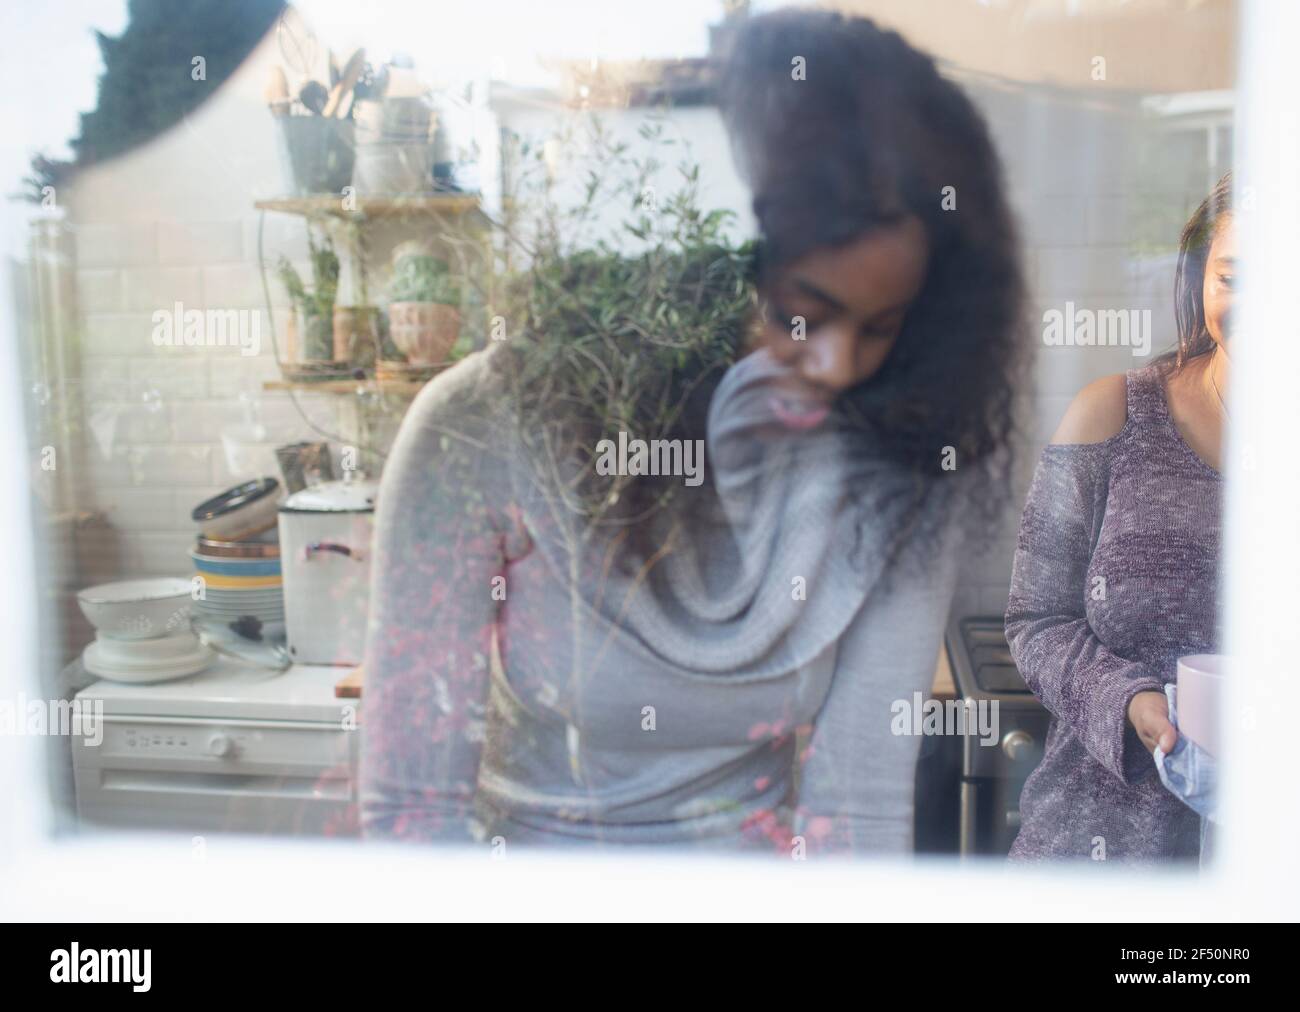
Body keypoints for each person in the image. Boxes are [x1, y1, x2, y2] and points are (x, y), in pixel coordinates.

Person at [360, 7, 1025, 855]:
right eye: (799, 315)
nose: (836, 366)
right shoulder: (478, 428)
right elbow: (413, 814)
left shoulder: (901, 461)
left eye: (882, 326)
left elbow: (856, 812)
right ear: (683, 275)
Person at [1005, 173, 1232, 862]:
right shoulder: (1113, 414)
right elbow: (1035, 621)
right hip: (1095, 854)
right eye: (1236, 276)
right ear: (1200, 281)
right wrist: (1129, 699)